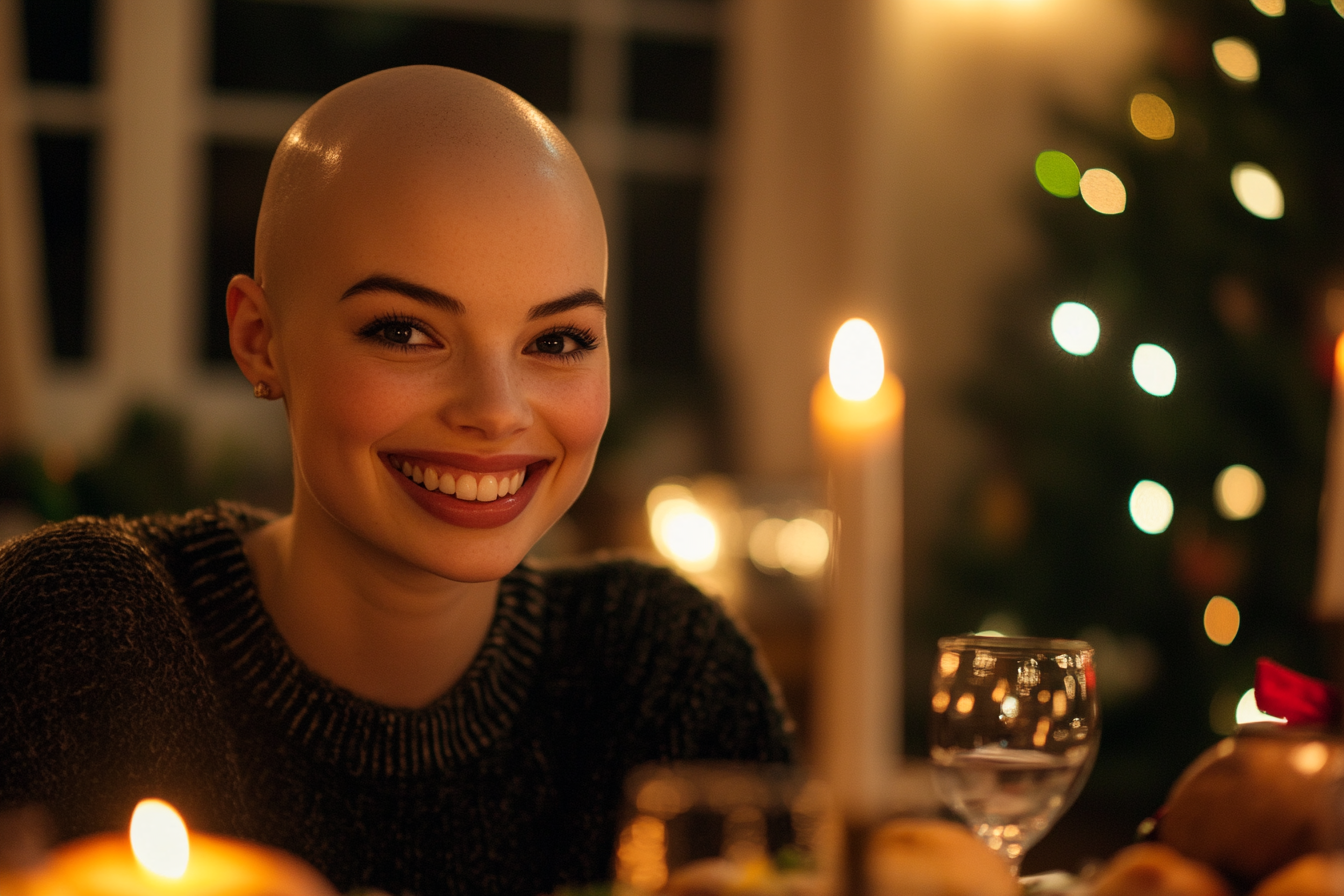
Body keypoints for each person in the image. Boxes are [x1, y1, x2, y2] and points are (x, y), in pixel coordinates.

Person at [0, 66, 792, 895]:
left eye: (557, 341)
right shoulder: (85, 624)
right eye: (406, 332)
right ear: (260, 339)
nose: (496, 411)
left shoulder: (665, 671)